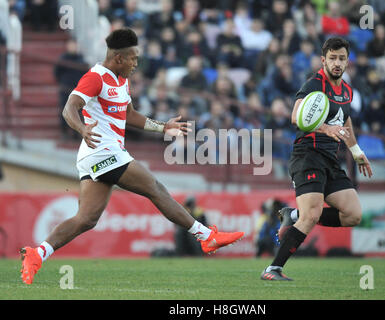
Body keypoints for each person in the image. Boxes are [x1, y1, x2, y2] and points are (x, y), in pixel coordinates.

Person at [19, 28, 244, 285]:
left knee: (86, 219)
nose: (136, 64)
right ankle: (205, 236)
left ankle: (38, 253)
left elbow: (129, 115)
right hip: (101, 150)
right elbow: (70, 107)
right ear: (118, 58)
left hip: (102, 154)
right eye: (133, 59)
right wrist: (81, 128)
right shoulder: (96, 77)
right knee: (155, 188)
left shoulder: (122, 80)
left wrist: (163, 127)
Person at [261, 37, 372, 281]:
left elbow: (345, 122)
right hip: (307, 155)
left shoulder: (347, 91)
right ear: (324, 60)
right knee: (310, 215)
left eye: (342, 58)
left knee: (353, 214)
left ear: (347, 61)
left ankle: (293, 215)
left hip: (331, 160)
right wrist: (325, 129)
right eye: (332, 58)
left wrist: (356, 152)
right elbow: (295, 116)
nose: (337, 63)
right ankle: (273, 269)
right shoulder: (314, 84)